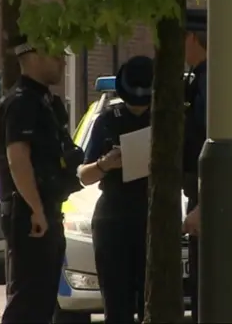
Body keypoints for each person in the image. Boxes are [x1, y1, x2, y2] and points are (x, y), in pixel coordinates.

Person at [181, 9, 232, 323]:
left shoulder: (210, 82)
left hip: (211, 207)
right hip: (222, 205)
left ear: (192, 38)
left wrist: (207, 206)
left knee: (211, 297)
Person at [0, 35, 83, 323]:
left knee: (43, 302)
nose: (62, 60)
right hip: (30, 215)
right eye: (55, 53)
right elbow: (17, 158)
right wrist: (35, 208)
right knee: (27, 302)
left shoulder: (45, 103)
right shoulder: (21, 103)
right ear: (32, 56)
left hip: (46, 210)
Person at [77, 56, 154, 324]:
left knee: (152, 300)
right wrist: (105, 164)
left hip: (151, 214)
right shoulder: (108, 119)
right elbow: (84, 175)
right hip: (114, 214)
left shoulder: (165, 119)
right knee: (116, 302)